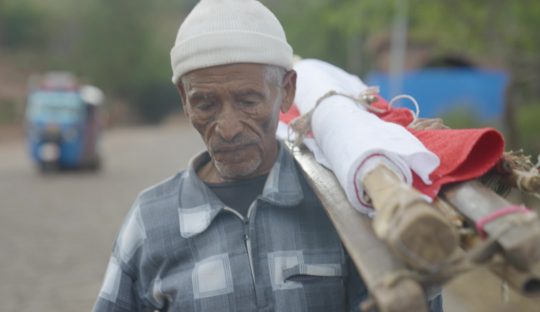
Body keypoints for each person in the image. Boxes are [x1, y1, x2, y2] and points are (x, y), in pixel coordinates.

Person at [93, 0, 442, 311]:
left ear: (286, 91)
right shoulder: (151, 221)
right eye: (205, 104)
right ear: (184, 99)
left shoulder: (341, 203)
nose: (227, 128)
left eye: (248, 101)